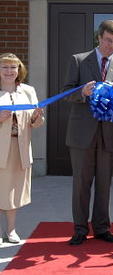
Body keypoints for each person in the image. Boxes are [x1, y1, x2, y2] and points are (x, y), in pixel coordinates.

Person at [63, 20, 113, 245]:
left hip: (109, 134)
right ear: (98, 38)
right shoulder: (79, 60)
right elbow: (66, 93)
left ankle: (102, 228)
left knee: (104, 183)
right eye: (108, 40)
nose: (111, 45)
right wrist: (83, 92)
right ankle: (80, 229)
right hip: (82, 134)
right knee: (81, 184)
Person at [0, 53, 44, 244]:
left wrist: (36, 117)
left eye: (13, 67)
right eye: (4, 67)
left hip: (19, 147)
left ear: (19, 70)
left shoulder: (28, 91)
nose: (9, 71)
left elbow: (37, 122)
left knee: (12, 191)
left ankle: (10, 230)